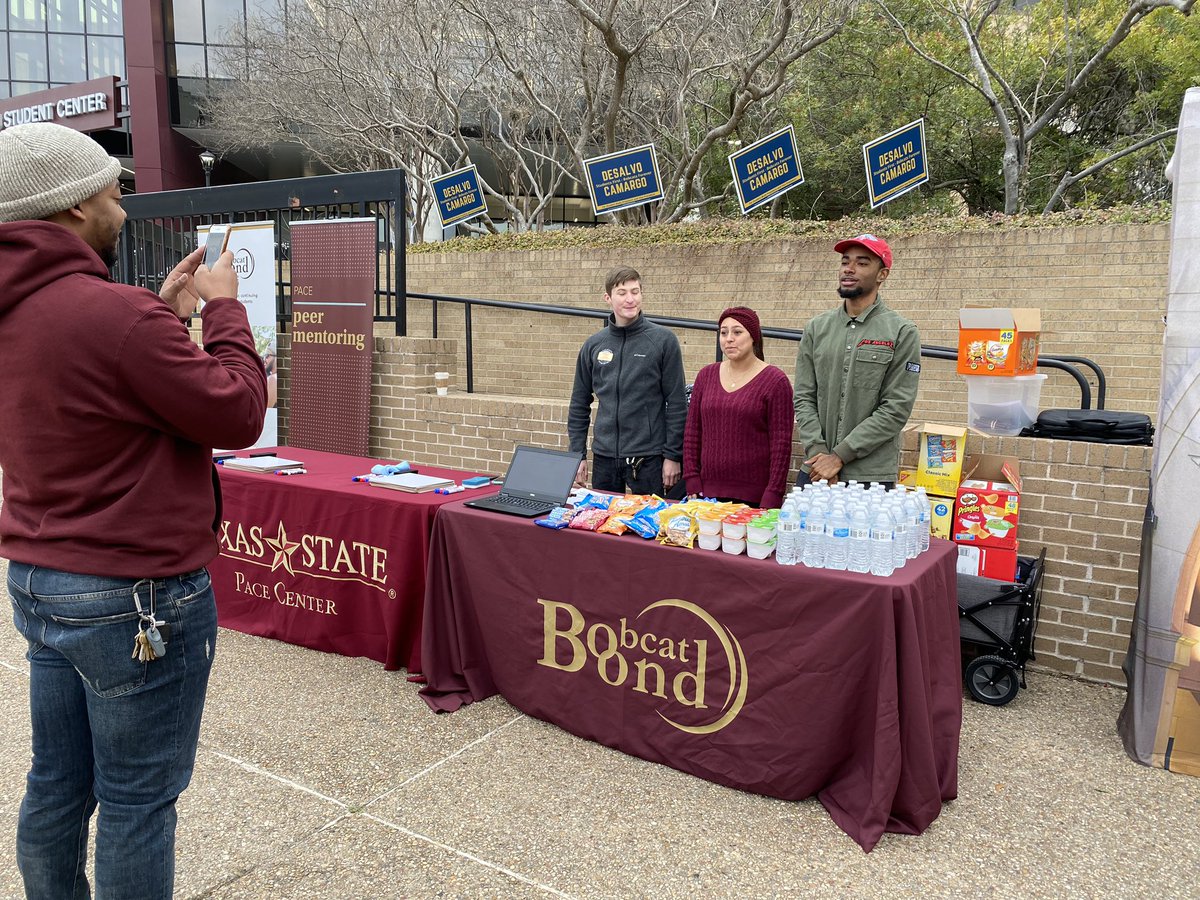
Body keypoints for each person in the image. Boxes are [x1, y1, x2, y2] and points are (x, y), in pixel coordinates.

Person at [0, 123, 268, 899]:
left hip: (43, 581)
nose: (123, 210)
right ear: (77, 205)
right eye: (115, 194)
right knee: (137, 800)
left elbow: (84, 393)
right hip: (135, 597)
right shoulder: (115, 318)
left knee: (57, 780)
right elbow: (237, 412)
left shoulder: (45, 313)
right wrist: (222, 313)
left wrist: (158, 315)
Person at [793, 234, 920, 488]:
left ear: (882, 274)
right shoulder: (816, 328)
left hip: (869, 478)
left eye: (862, 263)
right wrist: (820, 454)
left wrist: (839, 456)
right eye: (845, 261)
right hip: (816, 470)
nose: (849, 269)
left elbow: (896, 408)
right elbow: (803, 397)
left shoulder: (902, 332)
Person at [568, 267, 687, 495]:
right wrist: (577, 456)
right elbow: (578, 404)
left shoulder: (663, 341)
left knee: (650, 528)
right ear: (608, 298)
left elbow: (677, 403)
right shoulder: (593, 345)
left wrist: (673, 455)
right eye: (622, 293)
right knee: (603, 526)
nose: (630, 299)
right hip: (604, 457)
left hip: (649, 459)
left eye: (635, 291)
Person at [682, 307, 794, 508]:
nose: (729, 339)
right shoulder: (706, 376)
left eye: (737, 332)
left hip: (753, 498)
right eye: (723, 333)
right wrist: (691, 477)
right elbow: (692, 431)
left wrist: (773, 493)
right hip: (706, 494)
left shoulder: (775, 381)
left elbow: (781, 445)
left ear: (753, 337)